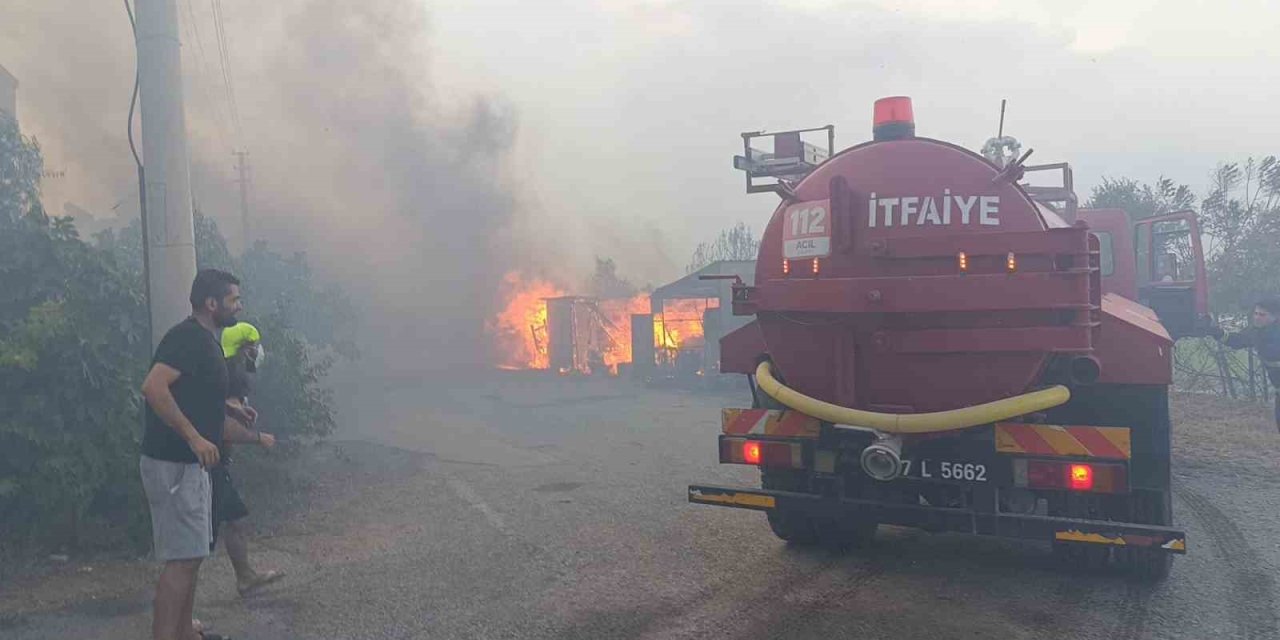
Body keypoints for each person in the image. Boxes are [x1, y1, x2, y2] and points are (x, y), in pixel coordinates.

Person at [139, 269, 243, 640]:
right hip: (175, 465)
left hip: (193, 467)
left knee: (192, 553)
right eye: (233, 299)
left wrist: (230, 410)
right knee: (181, 560)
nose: (239, 306)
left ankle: (183, 632)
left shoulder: (205, 340)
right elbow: (153, 387)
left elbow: (195, 394)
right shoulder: (186, 338)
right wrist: (194, 437)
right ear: (211, 303)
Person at [211, 321, 285, 596]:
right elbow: (221, 424)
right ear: (242, 349)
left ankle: (245, 576)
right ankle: (181, 612)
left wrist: (241, 410)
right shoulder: (228, 376)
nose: (257, 351)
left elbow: (229, 412)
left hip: (215, 461)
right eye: (253, 346)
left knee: (232, 520)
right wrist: (258, 438)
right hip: (208, 463)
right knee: (214, 531)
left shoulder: (230, 374)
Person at [1214, 297, 1280, 430]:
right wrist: (1215, 332)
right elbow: (1238, 340)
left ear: (1276, 317)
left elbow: (1272, 351)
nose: (1256, 317)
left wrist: (1259, 339)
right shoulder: (1259, 331)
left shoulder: (1268, 334)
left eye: (1262, 315)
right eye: (1255, 313)